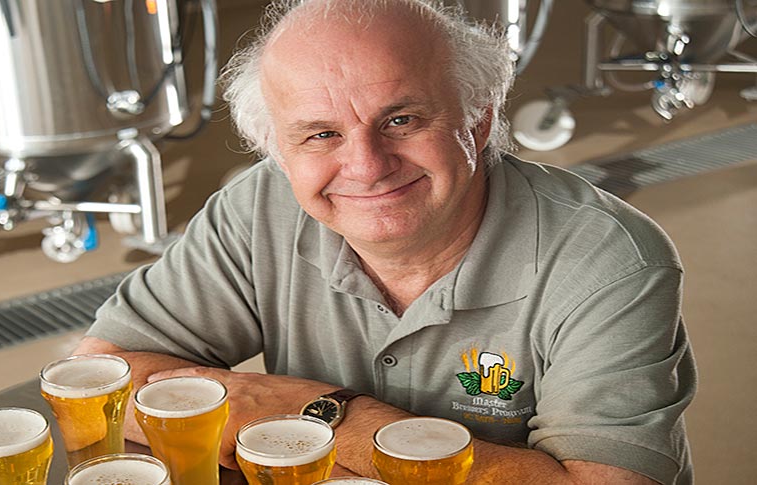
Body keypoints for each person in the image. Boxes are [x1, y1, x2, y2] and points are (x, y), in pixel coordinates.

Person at [74, 0, 697, 483]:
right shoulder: (257, 206)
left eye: (401, 120)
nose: (367, 166)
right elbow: (97, 386)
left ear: (477, 121)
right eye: (319, 134)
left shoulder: (608, 261)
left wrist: (325, 415)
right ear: (277, 152)